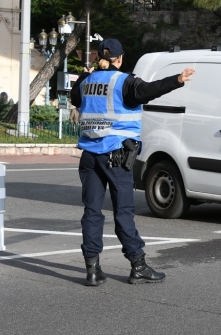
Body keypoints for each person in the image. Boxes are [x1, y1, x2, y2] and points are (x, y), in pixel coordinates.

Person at [70, 38, 195, 286]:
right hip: (116, 155)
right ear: (120, 58)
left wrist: (86, 75)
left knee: (92, 212)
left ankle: (92, 270)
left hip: (89, 156)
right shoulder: (123, 81)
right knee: (123, 213)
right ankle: (138, 265)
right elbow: (148, 90)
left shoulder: (86, 81)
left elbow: (75, 99)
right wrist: (177, 80)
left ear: (99, 57)